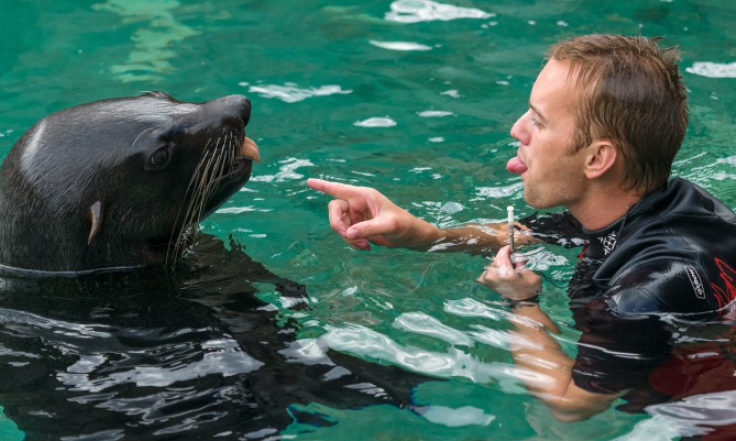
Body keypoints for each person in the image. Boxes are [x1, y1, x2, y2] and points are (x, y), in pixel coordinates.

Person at [306, 34, 736, 424]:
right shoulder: (670, 203)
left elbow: (573, 403)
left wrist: (523, 304)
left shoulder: (646, 291)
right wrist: (423, 234)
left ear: (595, 160)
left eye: (538, 120)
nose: (517, 129)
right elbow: (526, 233)